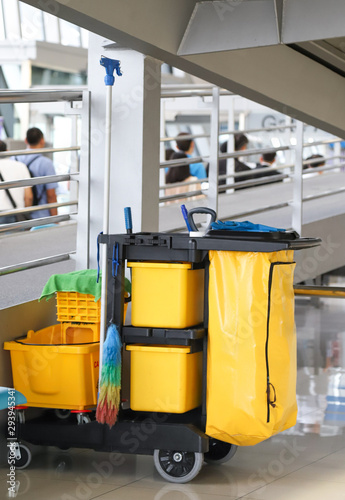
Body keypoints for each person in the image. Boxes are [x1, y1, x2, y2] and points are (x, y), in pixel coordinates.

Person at [14, 127, 58, 219]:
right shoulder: (46, 163)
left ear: (26, 140)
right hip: (41, 216)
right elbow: (51, 195)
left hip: (19, 216)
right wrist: (56, 219)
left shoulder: (14, 159)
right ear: (42, 141)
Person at [0, 140, 33, 224]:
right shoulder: (21, 166)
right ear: (7, 151)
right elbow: (28, 197)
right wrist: (25, 214)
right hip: (15, 213)